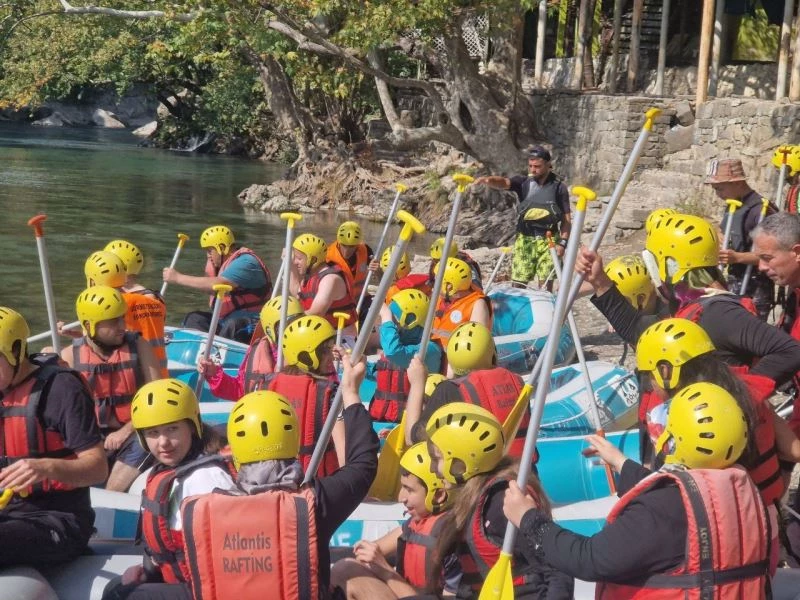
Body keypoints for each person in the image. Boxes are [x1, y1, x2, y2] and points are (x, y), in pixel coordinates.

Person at [503, 382, 770, 598]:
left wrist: (529, 519)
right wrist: (621, 462)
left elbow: (588, 559)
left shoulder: (661, 510)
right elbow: (683, 503)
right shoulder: (742, 490)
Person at [179, 354, 378, 599]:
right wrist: (350, 392)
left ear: (234, 449)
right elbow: (363, 465)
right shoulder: (315, 503)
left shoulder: (202, 510)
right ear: (292, 440)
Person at [577, 211, 800, 389]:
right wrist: (600, 282)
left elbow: (790, 352)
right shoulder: (686, 306)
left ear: (667, 265)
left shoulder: (720, 313)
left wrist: (743, 396)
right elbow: (639, 331)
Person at [425, 403, 574, 598]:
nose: (432, 469)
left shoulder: (499, 504)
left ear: (461, 459)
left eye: (437, 459)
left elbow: (558, 568)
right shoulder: (472, 498)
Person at [104, 378, 234, 600]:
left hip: (214, 589)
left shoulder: (207, 479)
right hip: (188, 580)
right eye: (153, 433)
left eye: (172, 429)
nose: (163, 442)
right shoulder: (170, 472)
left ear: (192, 427)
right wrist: (149, 570)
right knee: (116, 588)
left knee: (127, 597)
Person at [0, 307, 107, 566]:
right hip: (8, 513)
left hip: (59, 519)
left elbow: (98, 468)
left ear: (16, 351)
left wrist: (46, 468)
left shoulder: (62, 389)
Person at [60, 286, 162, 492]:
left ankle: (110, 496)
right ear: (89, 325)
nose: (122, 326)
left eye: (122, 318)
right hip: (91, 438)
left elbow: (157, 398)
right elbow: (66, 414)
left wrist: (125, 431)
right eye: (113, 321)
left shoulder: (139, 345)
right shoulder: (69, 356)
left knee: (149, 440)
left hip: (134, 433)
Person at [331, 442, 458, 598]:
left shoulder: (453, 537)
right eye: (402, 487)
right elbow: (372, 550)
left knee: (345, 570)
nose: (401, 498)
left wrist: (384, 570)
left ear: (438, 495)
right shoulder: (416, 523)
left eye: (409, 490)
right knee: (345, 569)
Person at [406, 321, 533, 461]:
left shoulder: (449, 390)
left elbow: (412, 440)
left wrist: (417, 384)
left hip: (481, 472)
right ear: (493, 355)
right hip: (522, 468)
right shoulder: (517, 382)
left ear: (452, 361)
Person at [251, 314, 345, 475]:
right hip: (317, 482)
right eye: (325, 351)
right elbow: (344, 454)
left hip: (274, 478)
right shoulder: (331, 393)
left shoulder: (264, 386)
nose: (332, 356)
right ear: (306, 356)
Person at [474, 146, 571, 289]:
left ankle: (545, 302)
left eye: (537, 166)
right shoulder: (523, 182)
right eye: (530, 166)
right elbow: (504, 182)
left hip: (549, 240)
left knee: (545, 286)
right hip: (525, 239)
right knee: (518, 284)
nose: (533, 170)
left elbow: (566, 219)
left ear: (548, 165)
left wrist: (562, 243)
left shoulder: (559, 188)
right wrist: (488, 180)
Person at [163, 225, 272, 343]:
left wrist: (177, 278)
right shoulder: (222, 265)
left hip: (251, 323)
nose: (208, 255)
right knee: (194, 319)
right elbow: (209, 288)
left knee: (233, 325)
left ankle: (222, 352)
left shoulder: (246, 262)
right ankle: (199, 350)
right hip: (225, 321)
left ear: (222, 248)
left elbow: (218, 284)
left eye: (210, 251)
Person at [706, 157, 777, 320]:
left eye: (720, 188)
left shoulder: (762, 210)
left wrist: (737, 257)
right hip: (734, 281)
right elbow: (725, 232)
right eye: (715, 189)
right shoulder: (733, 204)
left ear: (738, 183)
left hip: (756, 286)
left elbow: (773, 255)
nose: (717, 194)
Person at [198, 295, 304, 401]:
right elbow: (240, 390)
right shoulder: (257, 352)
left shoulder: (308, 353)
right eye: (287, 326)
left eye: (299, 324)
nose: (294, 330)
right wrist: (213, 373)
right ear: (270, 330)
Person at [367, 289, 442, 424]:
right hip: (381, 420)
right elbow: (382, 373)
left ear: (411, 323)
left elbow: (394, 353)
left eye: (394, 321)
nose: (391, 326)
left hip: (408, 424)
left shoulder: (428, 350)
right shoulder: (398, 346)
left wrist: (386, 316)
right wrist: (357, 363)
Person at [104, 240, 169, 376]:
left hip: (134, 376)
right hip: (160, 375)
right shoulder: (156, 298)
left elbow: (106, 339)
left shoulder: (120, 301)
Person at [290, 232, 358, 337]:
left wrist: (289, 321)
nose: (295, 262)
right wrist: (290, 265)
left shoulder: (330, 279)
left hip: (341, 338)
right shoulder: (311, 275)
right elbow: (297, 294)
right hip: (321, 335)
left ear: (313, 260)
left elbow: (317, 313)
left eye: (299, 259)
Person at [430, 257, 492, 347]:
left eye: (437, 281)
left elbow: (475, 344)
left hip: (455, 355)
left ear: (449, 286)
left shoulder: (478, 305)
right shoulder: (440, 298)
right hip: (434, 352)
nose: (433, 285)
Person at [326, 221, 374, 303]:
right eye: (344, 245)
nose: (346, 252)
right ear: (338, 241)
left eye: (351, 247)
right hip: (339, 302)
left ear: (357, 244)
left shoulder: (366, 250)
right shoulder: (327, 257)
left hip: (361, 298)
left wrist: (377, 269)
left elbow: (381, 277)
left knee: (381, 308)